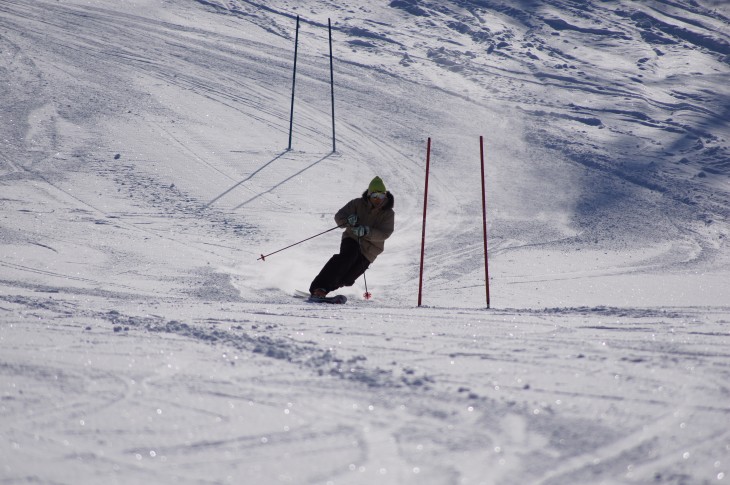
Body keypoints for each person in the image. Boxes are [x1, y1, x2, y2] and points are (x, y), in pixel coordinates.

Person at [309, 176, 395, 297]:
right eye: (375, 196)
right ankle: (320, 288)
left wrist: (366, 231)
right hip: (352, 238)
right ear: (369, 195)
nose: (377, 200)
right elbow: (339, 216)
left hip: (370, 251)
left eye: (381, 196)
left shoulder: (388, 213)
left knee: (348, 279)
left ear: (385, 196)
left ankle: (324, 290)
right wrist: (347, 220)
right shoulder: (357, 203)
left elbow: (385, 233)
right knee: (348, 256)